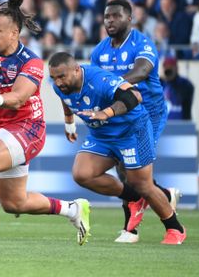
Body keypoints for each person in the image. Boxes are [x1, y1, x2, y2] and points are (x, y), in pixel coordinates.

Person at [0, 0, 91, 253]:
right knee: (14, 203)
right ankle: (72, 209)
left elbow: (18, 99)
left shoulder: (31, 61)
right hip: (4, 131)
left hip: (28, 128)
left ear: (14, 33)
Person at [49, 52, 187, 245]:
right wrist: (69, 121)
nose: (58, 82)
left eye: (62, 76)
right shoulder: (60, 86)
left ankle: (175, 228)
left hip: (132, 131)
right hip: (102, 135)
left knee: (143, 184)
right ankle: (133, 198)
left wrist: (106, 113)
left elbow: (134, 97)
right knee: (82, 174)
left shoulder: (99, 79)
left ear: (76, 70)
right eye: (54, 77)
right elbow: (66, 99)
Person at [90, 0, 179, 243]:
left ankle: (131, 230)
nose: (110, 20)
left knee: (132, 167)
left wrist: (111, 84)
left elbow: (141, 72)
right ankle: (162, 194)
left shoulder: (143, 44)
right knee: (124, 168)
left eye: (116, 16)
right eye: (107, 16)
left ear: (130, 19)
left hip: (149, 112)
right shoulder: (99, 51)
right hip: (121, 111)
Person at [160, 56, 194, 120]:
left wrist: (172, 80)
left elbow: (185, 94)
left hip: (180, 124)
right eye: (166, 67)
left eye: (171, 67)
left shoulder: (184, 84)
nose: (168, 70)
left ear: (176, 68)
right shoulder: (160, 83)